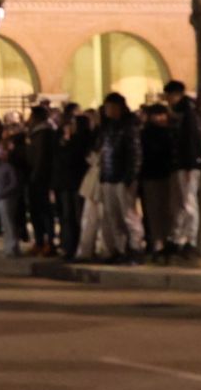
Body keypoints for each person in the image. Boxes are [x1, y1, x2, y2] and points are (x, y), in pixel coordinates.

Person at [94, 94, 145, 264]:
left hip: (123, 178)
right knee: (113, 216)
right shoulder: (108, 127)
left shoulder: (129, 126)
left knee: (129, 216)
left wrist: (130, 177)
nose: (107, 110)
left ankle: (136, 249)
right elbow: (103, 152)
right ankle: (121, 249)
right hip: (109, 176)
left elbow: (135, 154)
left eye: (110, 107)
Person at [162, 81, 201, 259]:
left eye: (168, 96)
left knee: (188, 203)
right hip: (179, 164)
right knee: (179, 203)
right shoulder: (179, 113)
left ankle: (191, 240)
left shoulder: (188, 113)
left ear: (175, 95)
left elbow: (191, 140)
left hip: (188, 165)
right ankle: (177, 238)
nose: (167, 100)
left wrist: (190, 164)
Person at [51, 112, 92, 259]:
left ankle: (75, 247)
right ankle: (69, 246)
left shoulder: (80, 141)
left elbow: (70, 160)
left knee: (75, 216)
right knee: (68, 217)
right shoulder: (66, 140)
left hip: (75, 183)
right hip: (66, 184)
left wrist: (66, 143)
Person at [138, 104, 174, 259]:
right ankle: (157, 243)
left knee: (168, 210)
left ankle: (167, 241)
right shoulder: (145, 133)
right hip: (150, 176)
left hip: (167, 176)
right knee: (153, 212)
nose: (161, 118)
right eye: (157, 115)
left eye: (162, 115)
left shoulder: (171, 132)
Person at [25, 105, 58, 255]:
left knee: (44, 211)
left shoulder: (44, 134)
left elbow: (41, 159)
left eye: (31, 116)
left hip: (40, 179)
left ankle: (49, 243)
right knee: (36, 212)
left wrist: (35, 177)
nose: (29, 119)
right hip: (35, 177)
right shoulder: (37, 133)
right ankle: (39, 241)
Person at [0, 128, 25, 256]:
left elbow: (14, 183)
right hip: (1, 197)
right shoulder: (0, 165)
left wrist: (2, 192)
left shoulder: (9, 166)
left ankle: (12, 247)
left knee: (9, 223)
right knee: (6, 223)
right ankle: (9, 247)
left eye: (1, 150)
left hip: (7, 197)